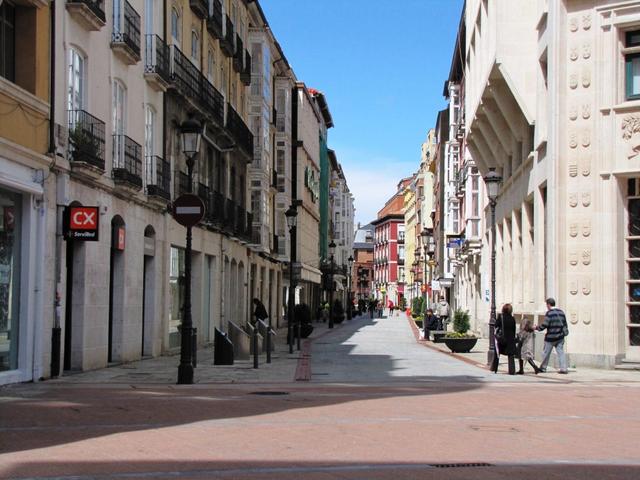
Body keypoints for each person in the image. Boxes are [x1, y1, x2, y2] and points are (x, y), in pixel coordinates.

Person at [537, 297, 569, 374]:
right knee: (561, 353)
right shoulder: (561, 312)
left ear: (548, 304)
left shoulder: (549, 313)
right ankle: (563, 368)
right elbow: (565, 324)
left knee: (546, 353)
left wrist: (537, 328)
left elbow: (545, 324)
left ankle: (543, 368)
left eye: (546, 305)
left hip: (550, 338)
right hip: (560, 337)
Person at [491, 303, 517, 375]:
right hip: (510, 340)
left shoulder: (501, 317)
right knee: (511, 355)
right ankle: (512, 371)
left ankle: (494, 368)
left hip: (502, 339)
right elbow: (514, 330)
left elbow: (496, 326)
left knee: (497, 353)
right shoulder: (512, 319)